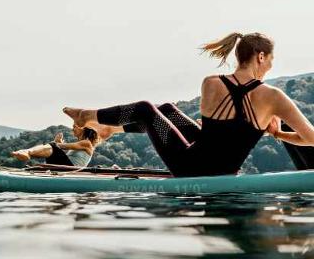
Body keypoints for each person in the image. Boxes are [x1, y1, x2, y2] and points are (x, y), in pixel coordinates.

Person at [62, 32, 314, 177]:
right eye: (270, 59)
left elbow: (214, 138)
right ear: (260, 56)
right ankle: (88, 117)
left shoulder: (210, 83)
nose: (270, 65)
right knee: (152, 109)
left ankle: (107, 126)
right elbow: (311, 139)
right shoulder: (273, 96)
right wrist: (278, 133)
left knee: (157, 111)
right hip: (204, 169)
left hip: (191, 162)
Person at [11, 125, 101, 168]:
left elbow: (62, 146)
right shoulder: (81, 144)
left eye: (75, 127)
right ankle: (27, 153)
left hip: (71, 169)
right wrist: (57, 145)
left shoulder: (86, 143)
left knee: (52, 145)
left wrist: (56, 143)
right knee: (51, 148)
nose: (73, 128)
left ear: (84, 130)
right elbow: (66, 154)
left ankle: (27, 152)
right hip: (67, 166)